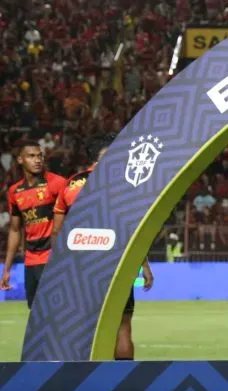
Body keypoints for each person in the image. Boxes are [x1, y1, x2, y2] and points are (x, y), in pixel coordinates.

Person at [52, 136, 154, 360]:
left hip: (80, 267)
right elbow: (133, 229)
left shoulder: (71, 184)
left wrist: (58, 268)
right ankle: (124, 381)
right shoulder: (124, 185)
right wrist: (144, 265)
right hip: (116, 264)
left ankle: (82, 380)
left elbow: (57, 232)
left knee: (81, 325)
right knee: (123, 326)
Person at [1, 142, 66, 308]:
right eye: (31, 156)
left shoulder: (57, 183)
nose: (37, 160)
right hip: (30, 260)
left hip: (53, 257)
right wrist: (7, 269)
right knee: (35, 313)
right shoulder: (15, 192)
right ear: (20, 160)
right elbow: (15, 230)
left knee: (56, 311)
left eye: (40, 156)